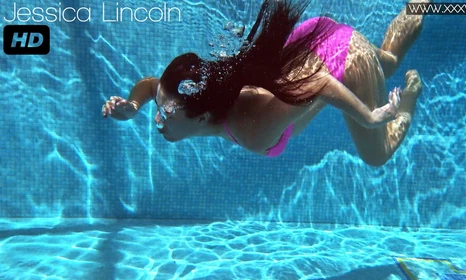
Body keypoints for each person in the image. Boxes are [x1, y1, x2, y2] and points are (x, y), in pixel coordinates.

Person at [102, 0, 426, 166]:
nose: (158, 120)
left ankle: (410, 96)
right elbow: (150, 86)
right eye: (161, 110)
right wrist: (132, 106)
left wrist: (369, 118)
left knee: (377, 154)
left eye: (164, 113)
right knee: (389, 61)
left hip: (339, 61)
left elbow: (322, 84)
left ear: (200, 118)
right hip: (313, 43)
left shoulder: (251, 129)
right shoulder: (200, 93)